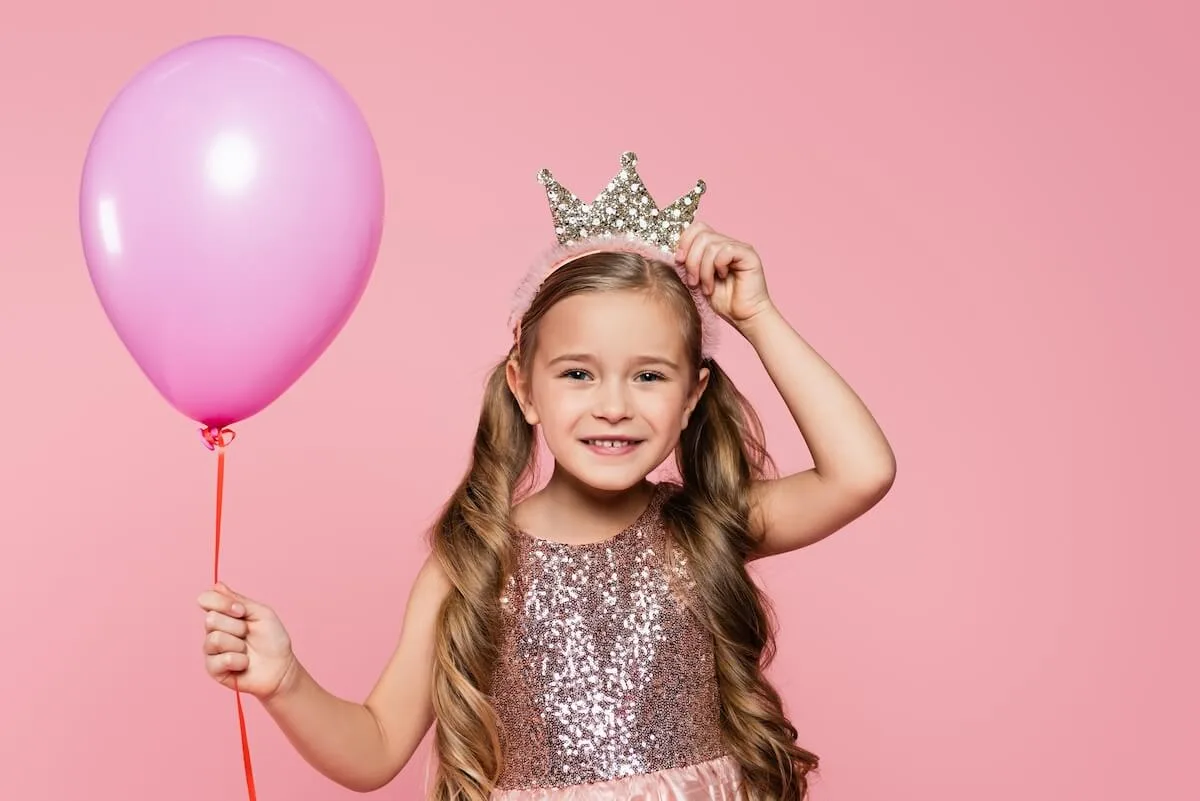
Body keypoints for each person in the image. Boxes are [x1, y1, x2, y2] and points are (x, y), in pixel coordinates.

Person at [197, 152, 896, 800]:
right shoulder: (473, 561)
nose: (614, 405)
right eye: (578, 373)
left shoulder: (704, 529)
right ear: (524, 387)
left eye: (649, 375)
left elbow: (860, 472)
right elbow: (376, 746)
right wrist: (285, 681)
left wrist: (759, 317)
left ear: (691, 397)